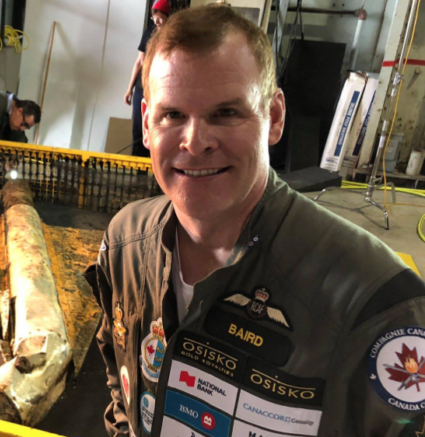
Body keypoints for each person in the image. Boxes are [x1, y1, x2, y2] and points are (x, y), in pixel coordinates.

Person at [85, 5, 425, 437]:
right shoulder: (125, 243)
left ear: (274, 117)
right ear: (147, 125)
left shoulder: (376, 304)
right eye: (173, 115)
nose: (195, 142)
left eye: (226, 113)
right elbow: (120, 378)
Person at [123, 0, 169, 158]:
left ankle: (154, 164)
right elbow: (139, 62)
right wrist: (129, 89)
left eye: (160, 18)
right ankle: (137, 166)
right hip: (141, 86)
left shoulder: (171, 35)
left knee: (156, 127)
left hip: (159, 88)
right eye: (154, 18)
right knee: (138, 127)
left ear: (167, 16)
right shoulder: (149, 31)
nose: (157, 22)